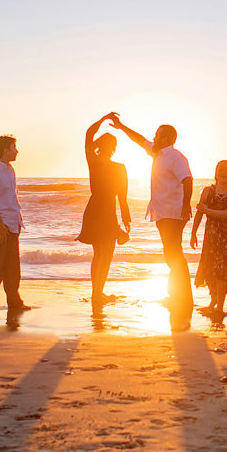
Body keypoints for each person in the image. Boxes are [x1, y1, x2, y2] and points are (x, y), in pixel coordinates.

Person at [108, 113, 193, 328]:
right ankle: (177, 295)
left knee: (173, 253)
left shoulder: (175, 157)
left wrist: (185, 205)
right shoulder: (158, 154)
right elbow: (138, 139)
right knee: (171, 253)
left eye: (157, 135)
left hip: (174, 212)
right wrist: (121, 126)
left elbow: (188, 179)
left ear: (165, 138)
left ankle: (183, 298)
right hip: (163, 211)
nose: (153, 138)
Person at [78, 113, 131, 312]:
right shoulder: (119, 167)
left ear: (99, 145)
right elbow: (123, 196)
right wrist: (125, 218)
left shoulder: (93, 159)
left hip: (95, 208)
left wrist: (102, 119)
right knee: (105, 255)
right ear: (114, 148)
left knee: (99, 254)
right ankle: (97, 294)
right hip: (107, 209)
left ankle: (96, 293)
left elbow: (88, 135)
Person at [191, 159, 227, 317]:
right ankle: (212, 302)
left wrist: (207, 210)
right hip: (211, 236)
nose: (224, 172)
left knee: (222, 272)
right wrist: (193, 233)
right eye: (221, 169)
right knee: (209, 269)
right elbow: (199, 213)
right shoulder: (207, 191)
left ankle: (219, 307)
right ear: (215, 173)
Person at [0, 134, 31, 314]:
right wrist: (0, 224)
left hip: (13, 223)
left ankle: (14, 300)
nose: (16, 151)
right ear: (5, 150)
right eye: (14, 148)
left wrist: (16, 222)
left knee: (12, 265)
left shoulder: (10, 170)